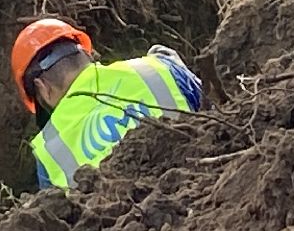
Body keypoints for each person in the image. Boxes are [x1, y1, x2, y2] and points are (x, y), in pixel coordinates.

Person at [10, 18, 203, 189]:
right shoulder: (157, 68)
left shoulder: (49, 151)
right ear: (88, 54)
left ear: (42, 87)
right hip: (202, 189)